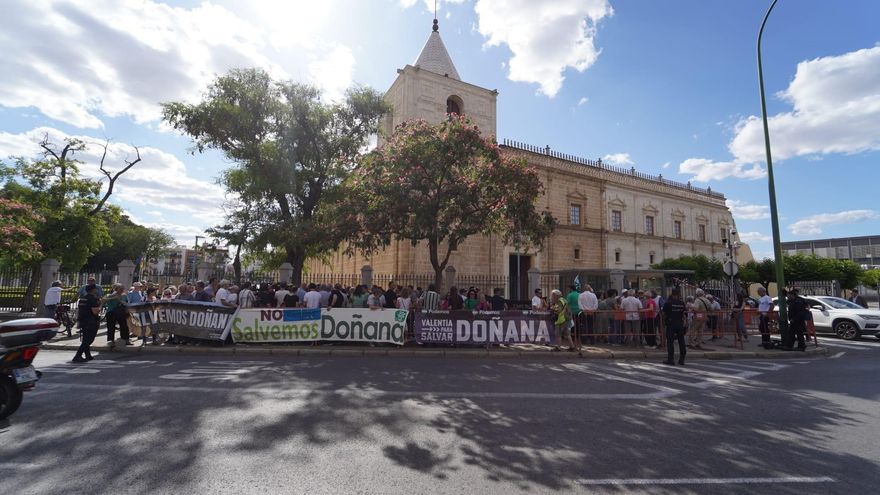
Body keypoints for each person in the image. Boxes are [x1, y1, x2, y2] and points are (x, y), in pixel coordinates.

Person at [72, 284, 101, 363]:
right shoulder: (93, 299)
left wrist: (78, 321)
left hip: (83, 321)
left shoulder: (82, 298)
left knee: (85, 338)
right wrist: (100, 306)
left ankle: (88, 355)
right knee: (89, 339)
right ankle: (78, 355)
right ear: (94, 290)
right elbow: (95, 312)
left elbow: (79, 310)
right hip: (91, 321)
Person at [661, 289, 688, 365]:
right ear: (679, 294)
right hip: (680, 323)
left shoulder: (668, 303)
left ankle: (671, 359)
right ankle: (682, 359)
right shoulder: (682, 303)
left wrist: (664, 322)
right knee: (681, 341)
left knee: (670, 342)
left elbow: (663, 314)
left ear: (672, 294)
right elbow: (683, 313)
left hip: (671, 324)